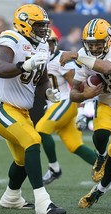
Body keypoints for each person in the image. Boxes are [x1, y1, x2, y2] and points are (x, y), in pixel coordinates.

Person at [0, 4, 66, 214]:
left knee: (22, 160)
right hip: (1, 106)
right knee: (33, 140)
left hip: (21, 111)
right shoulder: (11, 39)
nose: (43, 30)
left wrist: (48, 92)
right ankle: (43, 203)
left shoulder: (42, 46)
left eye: (44, 26)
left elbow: (41, 81)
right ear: (24, 24)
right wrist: (25, 65)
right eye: (39, 25)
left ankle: (11, 197)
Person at [60, 18, 111, 208]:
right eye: (90, 44)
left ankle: (99, 191)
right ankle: (100, 155)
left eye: (98, 43)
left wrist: (76, 55)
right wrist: (85, 95)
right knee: (101, 133)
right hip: (107, 104)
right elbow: (73, 93)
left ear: (108, 40)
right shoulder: (83, 55)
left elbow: (107, 67)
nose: (95, 48)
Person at [34, 29, 96, 185]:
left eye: (51, 43)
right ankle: (108, 167)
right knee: (75, 145)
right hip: (54, 106)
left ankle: (54, 168)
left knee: (41, 129)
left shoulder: (61, 60)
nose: (48, 47)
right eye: (46, 43)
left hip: (65, 102)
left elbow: (78, 87)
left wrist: (81, 111)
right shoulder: (36, 60)